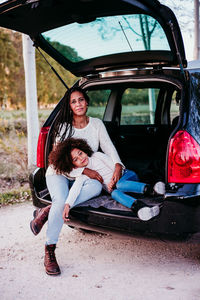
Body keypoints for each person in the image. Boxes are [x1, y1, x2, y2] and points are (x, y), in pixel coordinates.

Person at [30, 87, 124, 276]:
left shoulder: (96, 124)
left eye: (81, 100)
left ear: (86, 102)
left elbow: (108, 146)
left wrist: (117, 165)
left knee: (97, 186)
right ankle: (50, 249)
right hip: (59, 172)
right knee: (60, 199)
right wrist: (85, 170)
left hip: (83, 176)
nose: (78, 104)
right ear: (70, 106)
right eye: (74, 102)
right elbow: (57, 160)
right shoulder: (64, 127)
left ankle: (48, 210)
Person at [48, 137, 164, 223]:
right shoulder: (84, 174)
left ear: (84, 150)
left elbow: (114, 166)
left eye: (80, 153)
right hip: (116, 188)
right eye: (76, 159)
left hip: (126, 177)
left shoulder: (97, 156)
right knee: (114, 194)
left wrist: (113, 182)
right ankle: (141, 209)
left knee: (120, 186)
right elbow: (76, 188)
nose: (81, 158)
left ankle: (152, 190)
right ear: (74, 166)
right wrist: (67, 204)